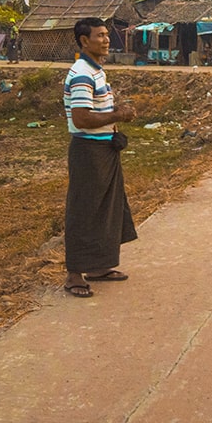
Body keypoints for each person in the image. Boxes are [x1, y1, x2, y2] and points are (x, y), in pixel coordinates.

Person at [62, 17, 138, 298]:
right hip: (89, 151)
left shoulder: (96, 71)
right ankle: (74, 275)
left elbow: (94, 109)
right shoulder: (82, 73)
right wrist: (117, 115)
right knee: (84, 211)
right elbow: (81, 118)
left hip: (103, 149)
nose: (106, 40)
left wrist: (113, 112)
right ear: (84, 41)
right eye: (100, 36)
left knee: (106, 208)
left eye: (107, 35)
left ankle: (98, 266)